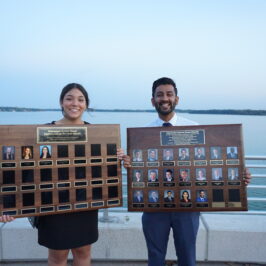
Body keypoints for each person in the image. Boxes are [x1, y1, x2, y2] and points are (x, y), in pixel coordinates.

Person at [0, 83, 130, 266]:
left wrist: (118, 158)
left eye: (80, 99)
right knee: (57, 256)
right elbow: (21, 170)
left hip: (85, 204)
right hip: (52, 204)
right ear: (61, 102)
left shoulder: (98, 135)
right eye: (69, 98)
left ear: (86, 104)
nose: (74, 103)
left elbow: (103, 173)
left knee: (83, 253)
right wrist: (8, 205)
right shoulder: (41, 132)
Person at [141, 77, 252, 266]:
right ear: (153, 100)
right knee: (155, 258)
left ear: (177, 99)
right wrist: (126, 163)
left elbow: (208, 164)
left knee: (187, 258)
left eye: (169, 94)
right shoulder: (141, 133)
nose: (164, 98)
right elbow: (139, 168)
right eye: (159, 95)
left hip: (187, 206)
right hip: (155, 207)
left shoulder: (194, 128)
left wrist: (236, 177)